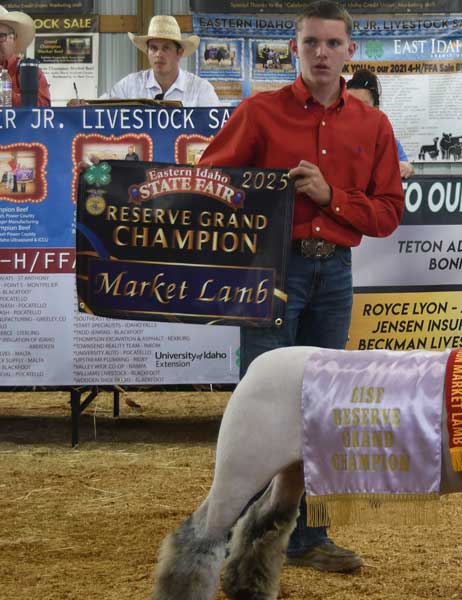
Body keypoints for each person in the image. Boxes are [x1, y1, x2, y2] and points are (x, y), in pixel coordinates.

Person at [198, 0, 403, 573]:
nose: (322, 53)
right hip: (271, 272)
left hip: (334, 272)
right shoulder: (258, 112)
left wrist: (330, 196)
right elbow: (211, 182)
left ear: (350, 51)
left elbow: (388, 213)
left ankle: (308, 536)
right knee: (262, 403)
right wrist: (263, 196)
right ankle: (246, 540)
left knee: (325, 406)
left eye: (333, 43)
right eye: (311, 42)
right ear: (294, 48)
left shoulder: (373, 126)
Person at [69, 15, 218, 107]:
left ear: (179, 53)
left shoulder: (201, 89)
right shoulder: (129, 85)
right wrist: (80, 109)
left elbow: (217, 128)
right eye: (153, 48)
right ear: (147, 52)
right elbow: (98, 109)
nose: (158, 54)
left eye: (166, 48)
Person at [345, 68, 414, 179]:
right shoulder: (332, 135)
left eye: (363, 105)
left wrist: (407, 167)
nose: (355, 110)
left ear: (376, 109)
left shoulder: (386, 140)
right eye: (350, 104)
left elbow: (405, 165)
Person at [0, 5, 50, 107]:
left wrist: (6, 94)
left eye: (0, 36)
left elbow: (43, 108)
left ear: (14, 39)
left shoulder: (28, 70)